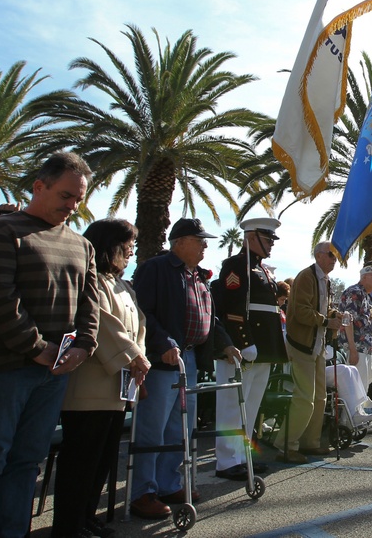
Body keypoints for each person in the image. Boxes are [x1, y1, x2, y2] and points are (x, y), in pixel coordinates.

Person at [0, 151, 99, 538]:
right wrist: (38, 349)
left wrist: (84, 346)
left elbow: (90, 304)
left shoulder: (83, 246)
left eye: (78, 199)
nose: (72, 205)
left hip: (54, 374)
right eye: (66, 195)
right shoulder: (0, 232)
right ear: (39, 186)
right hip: (2, 371)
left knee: (27, 462)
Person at [129, 218, 240, 520]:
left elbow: (210, 319)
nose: (206, 245)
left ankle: (168, 483)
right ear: (179, 242)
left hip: (189, 360)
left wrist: (226, 344)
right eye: (199, 239)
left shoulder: (199, 277)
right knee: (153, 428)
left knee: (180, 429)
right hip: (162, 359)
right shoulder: (155, 269)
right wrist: (162, 341)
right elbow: (142, 311)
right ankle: (143, 492)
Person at [52, 218, 148, 538]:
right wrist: (133, 357)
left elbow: (139, 325)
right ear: (109, 246)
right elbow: (103, 325)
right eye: (127, 246)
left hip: (117, 386)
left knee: (102, 460)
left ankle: (86, 516)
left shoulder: (123, 285)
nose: (131, 252)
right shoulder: (92, 280)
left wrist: (140, 356)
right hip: (90, 386)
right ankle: (68, 525)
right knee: (81, 460)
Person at [214, 217, 285, 481]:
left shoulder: (263, 269)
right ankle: (227, 461)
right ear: (251, 237)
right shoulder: (235, 266)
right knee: (233, 405)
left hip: (263, 347)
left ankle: (242, 456)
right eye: (267, 239)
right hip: (243, 348)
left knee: (252, 406)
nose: (271, 245)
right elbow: (232, 308)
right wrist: (244, 342)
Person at [283, 241, 342, 463]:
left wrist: (333, 314)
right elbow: (301, 311)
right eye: (330, 255)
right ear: (318, 256)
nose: (334, 259)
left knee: (320, 397)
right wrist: (327, 321)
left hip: (317, 346)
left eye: (335, 256)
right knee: (305, 398)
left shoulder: (324, 280)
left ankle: (310, 442)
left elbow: (320, 309)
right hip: (302, 345)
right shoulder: (306, 277)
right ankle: (285, 445)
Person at [337, 264, 372, 388]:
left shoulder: (365, 294)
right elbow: (348, 320)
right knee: (356, 388)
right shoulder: (355, 292)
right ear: (364, 277)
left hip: (364, 347)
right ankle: (353, 409)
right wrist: (353, 349)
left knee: (364, 384)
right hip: (356, 347)